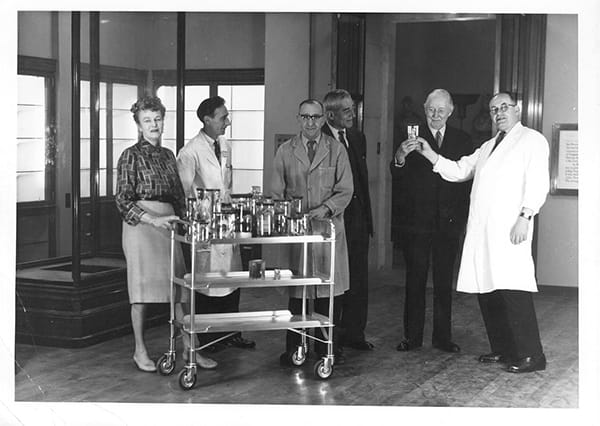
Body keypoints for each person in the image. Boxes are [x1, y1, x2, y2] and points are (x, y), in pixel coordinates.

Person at [416, 92, 549, 373]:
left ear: (518, 110)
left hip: (511, 228)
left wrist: (526, 216)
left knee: (514, 290)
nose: (499, 113)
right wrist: (428, 152)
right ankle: (503, 349)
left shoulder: (531, 140)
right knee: (488, 291)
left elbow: (538, 182)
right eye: (493, 109)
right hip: (484, 232)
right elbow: (459, 170)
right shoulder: (488, 146)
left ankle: (531, 355)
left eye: (504, 107)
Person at [115, 96, 216, 372]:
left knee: (179, 291)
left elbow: (178, 196)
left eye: (157, 119)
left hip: (169, 225)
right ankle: (140, 350)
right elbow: (123, 201)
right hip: (141, 228)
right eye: (147, 120)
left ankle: (189, 350)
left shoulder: (169, 155)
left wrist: (188, 224)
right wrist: (153, 219)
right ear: (138, 124)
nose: (153, 125)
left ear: (163, 120)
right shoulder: (129, 156)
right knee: (141, 292)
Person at [391, 89, 473, 353]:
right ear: (424, 109)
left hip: (448, 223)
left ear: (450, 111)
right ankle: (412, 337)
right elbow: (396, 173)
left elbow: (465, 180)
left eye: (440, 110)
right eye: (430, 110)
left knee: (443, 283)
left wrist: (460, 219)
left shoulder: (463, 139)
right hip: (417, 223)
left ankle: (442, 338)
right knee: (414, 281)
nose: (435, 115)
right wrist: (400, 157)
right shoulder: (411, 136)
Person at [271, 99, 353, 365]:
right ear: (298, 119)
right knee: (298, 294)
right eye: (305, 117)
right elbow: (276, 192)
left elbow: (346, 190)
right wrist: (291, 213)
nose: (310, 122)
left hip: (327, 231)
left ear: (323, 119)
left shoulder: (337, 150)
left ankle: (328, 348)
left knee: (329, 294)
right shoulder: (285, 150)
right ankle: (294, 348)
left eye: (315, 117)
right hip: (298, 231)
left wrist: (326, 208)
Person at [176, 95, 255, 352]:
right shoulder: (190, 152)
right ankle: (209, 339)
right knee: (208, 284)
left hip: (226, 222)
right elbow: (184, 193)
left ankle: (232, 333)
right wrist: (200, 217)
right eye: (223, 117)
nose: (227, 122)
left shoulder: (225, 145)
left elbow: (226, 185)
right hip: (206, 227)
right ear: (206, 119)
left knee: (232, 279)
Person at [322, 89, 374, 351]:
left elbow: (362, 183)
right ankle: (332, 341)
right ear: (330, 114)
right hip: (335, 220)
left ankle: (355, 334)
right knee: (336, 282)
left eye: (352, 109)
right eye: (346, 111)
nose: (352, 114)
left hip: (358, 221)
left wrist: (367, 220)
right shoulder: (319, 139)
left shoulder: (357, 138)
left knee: (358, 280)